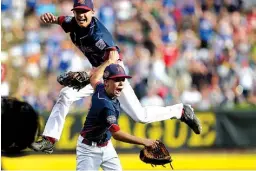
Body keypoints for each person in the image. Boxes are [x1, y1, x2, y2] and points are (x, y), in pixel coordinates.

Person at [31, 0, 202, 153]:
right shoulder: (72, 22)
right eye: (77, 11)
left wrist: (95, 73)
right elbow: (61, 20)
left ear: (92, 12)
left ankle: (180, 111)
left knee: (140, 116)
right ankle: (49, 140)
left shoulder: (97, 34)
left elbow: (112, 57)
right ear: (73, 12)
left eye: (84, 11)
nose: (81, 15)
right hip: (98, 70)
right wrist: (51, 18)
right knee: (65, 95)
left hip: (113, 71)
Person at [77, 63, 158, 170]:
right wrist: (144, 141)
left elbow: (94, 78)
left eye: (122, 80)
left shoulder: (101, 88)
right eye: (116, 80)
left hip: (106, 146)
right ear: (106, 82)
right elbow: (117, 134)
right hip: (89, 149)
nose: (120, 83)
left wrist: (108, 61)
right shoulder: (105, 105)